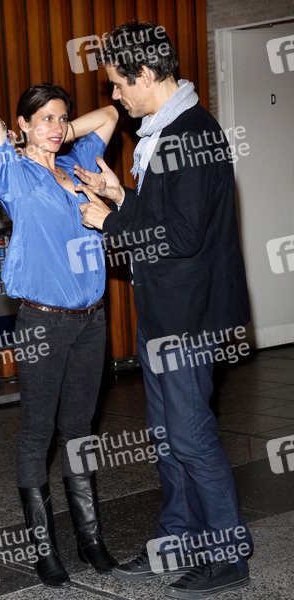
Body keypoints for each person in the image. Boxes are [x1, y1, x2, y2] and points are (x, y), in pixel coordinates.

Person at [73, 22, 253, 599]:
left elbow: (182, 235)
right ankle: (179, 540)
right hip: (165, 312)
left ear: (145, 74)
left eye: (118, 84)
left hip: (187, 318)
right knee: (168, 437)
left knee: (190, 436)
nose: (114, 95)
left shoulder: (189, 133)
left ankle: (228, 553)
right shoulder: (166, 130)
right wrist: (122, 197)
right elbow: (168, 215)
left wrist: (110, 222)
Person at [0, 83, 119, 588]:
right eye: (45, 118)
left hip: (91, 320)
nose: (56, 127)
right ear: (23, 124)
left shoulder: (77, 166)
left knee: (79, 431)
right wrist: (27, 140)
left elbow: (109, 116)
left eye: (61, 117)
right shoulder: (13, 173)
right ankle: (43, 549)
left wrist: (63, 133)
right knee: (38, 433)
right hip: (43, 322)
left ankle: (90, 539)